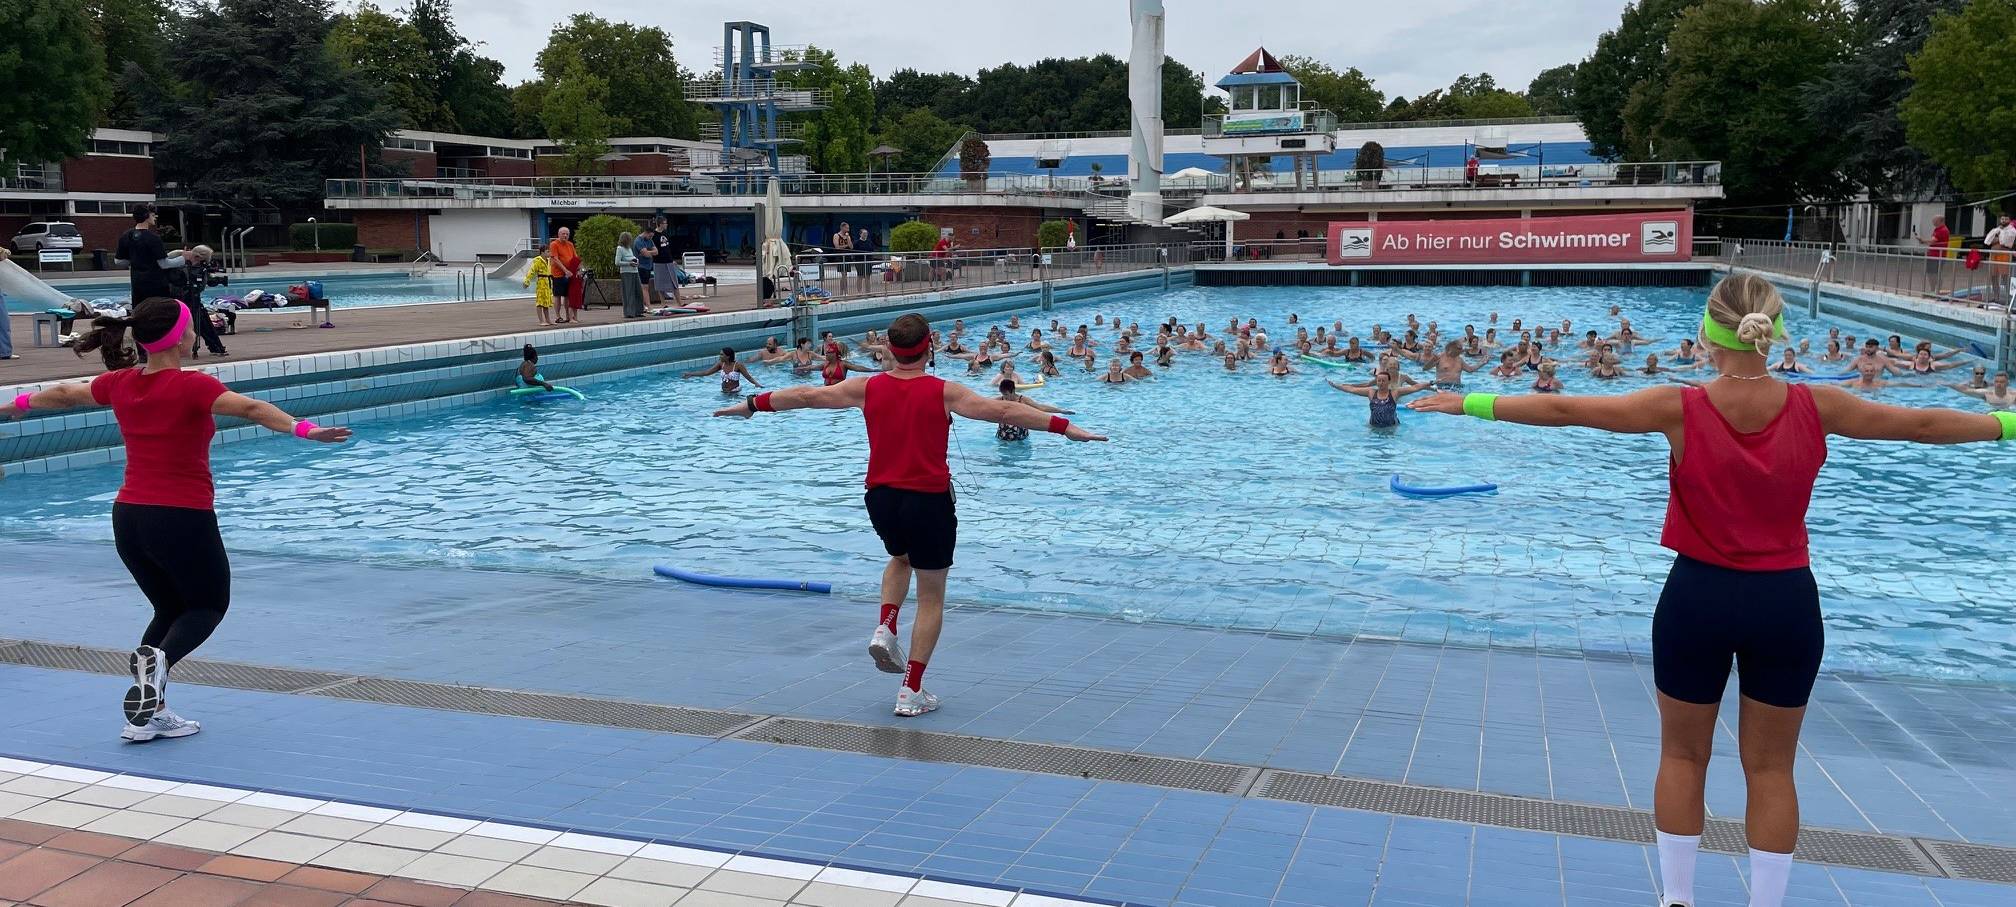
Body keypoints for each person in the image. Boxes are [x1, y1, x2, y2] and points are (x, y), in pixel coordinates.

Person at [1407, 273, 2014, 907]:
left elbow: (1569, 409)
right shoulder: (1819, 406)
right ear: (1776, 331)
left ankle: (1677, 900)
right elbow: (1919, 425)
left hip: (1697, 599)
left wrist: (1470, 402)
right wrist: (2006, 422)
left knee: (1683, 755)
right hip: (1784, 603)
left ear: (1706, 332)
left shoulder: (1681, 405)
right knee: (1773, 768)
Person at [712, 314, 1105, 717]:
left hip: (880, 499)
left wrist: (751, 405)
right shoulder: (945, 391)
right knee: (932, 596)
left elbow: (805, 396)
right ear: (929, 348)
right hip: (929, 501)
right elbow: (1002, 411)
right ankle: (911, 690)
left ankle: (886, 625)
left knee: (899, 558)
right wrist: (1064, 427)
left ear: (889, 348)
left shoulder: (865, 387)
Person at [1, 297, 351, 740]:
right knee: (207, 605)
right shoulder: (193, 386)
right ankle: (159, 664)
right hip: (180, 516)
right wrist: (307, 430)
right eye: (190, 326)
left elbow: (66, 394)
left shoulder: (121, 383)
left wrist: (13, 405)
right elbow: (250, 408)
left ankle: (147, 716)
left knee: (169, 608)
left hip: (128, 517)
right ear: (181, 338)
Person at [115, 204, 186, 310]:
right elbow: (164, 264)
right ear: (146, 216)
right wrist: (184, 259)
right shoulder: (153, 238)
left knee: (140, 312)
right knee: (157, 314)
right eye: (153, 215)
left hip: (137, 284)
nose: (155, 217)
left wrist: (135, 260)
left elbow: (118, 261)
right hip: (156, 284)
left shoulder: (126, 236)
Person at [166, 244, 227, 359]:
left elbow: (201, 282)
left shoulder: (196, 267)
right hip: (176, 296)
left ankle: (216, 347)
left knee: (202, 318)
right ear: (197, 257)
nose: (201, 265)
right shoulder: (176, 258)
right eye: (201, 262)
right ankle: (214, 347)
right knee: (192, 320)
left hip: (190, 296)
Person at [1331, 370, 1433, 428]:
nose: (1381, 383)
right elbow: (1352, 390)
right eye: (1379, 381)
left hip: (1391, 428)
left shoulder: (1395, 393)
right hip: (1373, 427)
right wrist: (1337, 386)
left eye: (1383, 381)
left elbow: (1414, 388)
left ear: (1389, 381)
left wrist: (1430, 383)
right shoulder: (1371, 392)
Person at [993, 378, 1072, 441]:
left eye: (1006, 394)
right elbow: (984, 405)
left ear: (1013, 391)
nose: (1005, 398)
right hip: (1003, 435)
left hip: (1020, 435)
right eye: (1003, 394)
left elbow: (1041, 407)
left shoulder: (1023, 400)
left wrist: (1061, 411)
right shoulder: (1000, 400)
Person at [685, 347, 762, 393]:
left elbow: (748, 377)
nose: (720, 356)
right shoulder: (721, 364)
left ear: (728, 356)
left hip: (735, 392)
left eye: (722, 354)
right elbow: (706, 372)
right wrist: (691, 374)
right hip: (724, 392)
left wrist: (756, 384)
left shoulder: (738, 365)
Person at [548, 228, 582, 324]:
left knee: (568, 295)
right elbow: (555, 259)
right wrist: (565, 270)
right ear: (559, 234)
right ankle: (558, 316)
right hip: (558, 274)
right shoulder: (554, 244)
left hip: (570, 273)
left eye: (567, 234)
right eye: (563, 234)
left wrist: (578, 269)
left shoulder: (570, 244)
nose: (565, 236)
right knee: (558, 295)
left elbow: (575, 258)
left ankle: (569, 316)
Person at [1949, 372, 2014, 410]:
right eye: (1996, 382)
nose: (1998, 384)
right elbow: (1965, 390)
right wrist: (1947, 384)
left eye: (2002, 382)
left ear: (2007, 383)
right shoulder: (1987, 393)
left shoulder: (2013, 395)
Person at [616, 230, 644, 319]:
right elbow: (617, 262)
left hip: (634, 271)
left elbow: (632, 258)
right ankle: (629, 312)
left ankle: (638, 311)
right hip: (626, 272)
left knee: (638, 291)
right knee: (628, 292)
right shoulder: (620, 249)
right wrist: (629, 263)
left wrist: (636, 261)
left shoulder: (629, 248)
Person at [523, 248, 554, 325]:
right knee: (540, 302)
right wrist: (527, 281)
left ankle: (548, 320)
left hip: (548, 282)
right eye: (547, 251)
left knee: (546, 302)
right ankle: (541, 321)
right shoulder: (537, 261)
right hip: (541, 283)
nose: (549, 253)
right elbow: (531, 271)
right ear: (542, 252)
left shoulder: (549, 260)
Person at [831, 222, 854, 293]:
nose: (848, 230)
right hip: (840, 256)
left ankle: (843, 291)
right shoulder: (836, 235)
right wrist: (846, 246)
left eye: (848, 228)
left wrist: (847, 238)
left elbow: (851, 247)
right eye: (847, 228)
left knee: (845, 274)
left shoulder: (848, 236)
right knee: (843, 274)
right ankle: (844, 291)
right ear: (842, 227)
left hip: (847, 256)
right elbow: (837, 247)